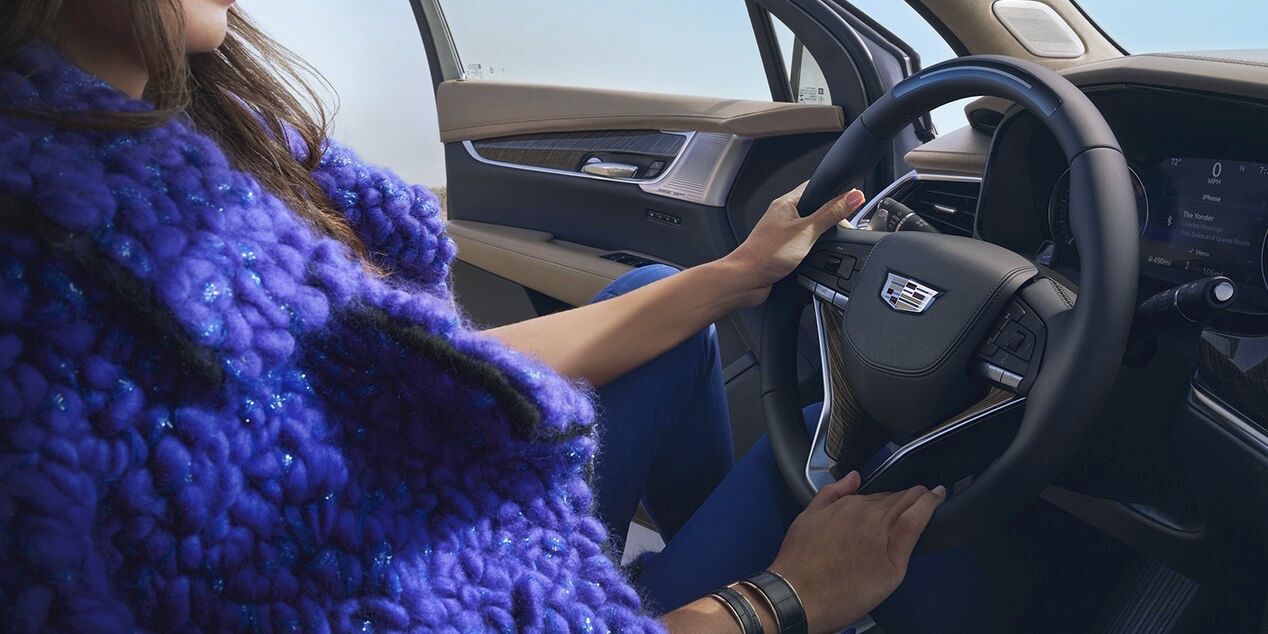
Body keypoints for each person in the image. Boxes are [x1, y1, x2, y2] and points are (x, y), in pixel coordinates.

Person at [0, 1, 976, 632]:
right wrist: (782, 596)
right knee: (868, 473)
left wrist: (731, 274)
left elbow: (405, 381)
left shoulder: (158, 161)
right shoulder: (70, 306)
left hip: (484, 558)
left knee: (654, 301)